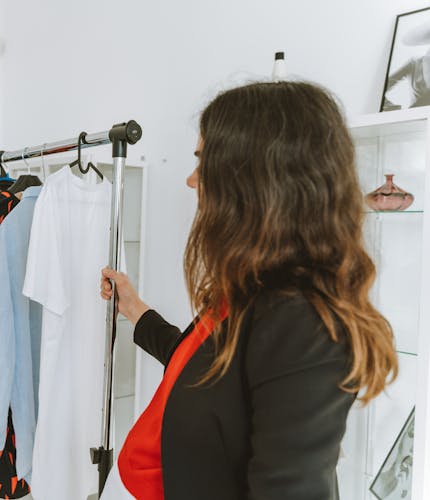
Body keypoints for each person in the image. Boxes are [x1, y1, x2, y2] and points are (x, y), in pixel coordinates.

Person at [100, 81, 398, 499]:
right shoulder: (248, 291)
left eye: (202, 161)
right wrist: (134, 309)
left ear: (254, 178)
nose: (190, 180)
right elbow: (202, 369)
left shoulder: (304, 326)